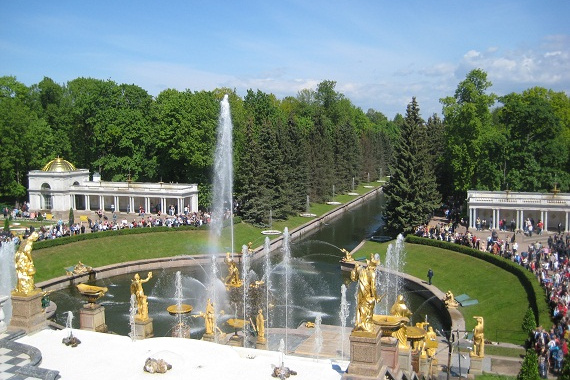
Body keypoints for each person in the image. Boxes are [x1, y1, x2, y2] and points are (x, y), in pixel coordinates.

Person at [351, 253, 384, 332]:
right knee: (368, 308)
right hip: (367, 295)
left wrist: (356, 267)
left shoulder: (362, 270)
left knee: (360, 307)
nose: (375, 269)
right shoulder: (372, 273)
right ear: (372, 266)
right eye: (375, 267)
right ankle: (365, 325)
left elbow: (354, 278)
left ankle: (359, 323)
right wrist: (376, 297)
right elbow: (373, 287)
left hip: (360, 293)